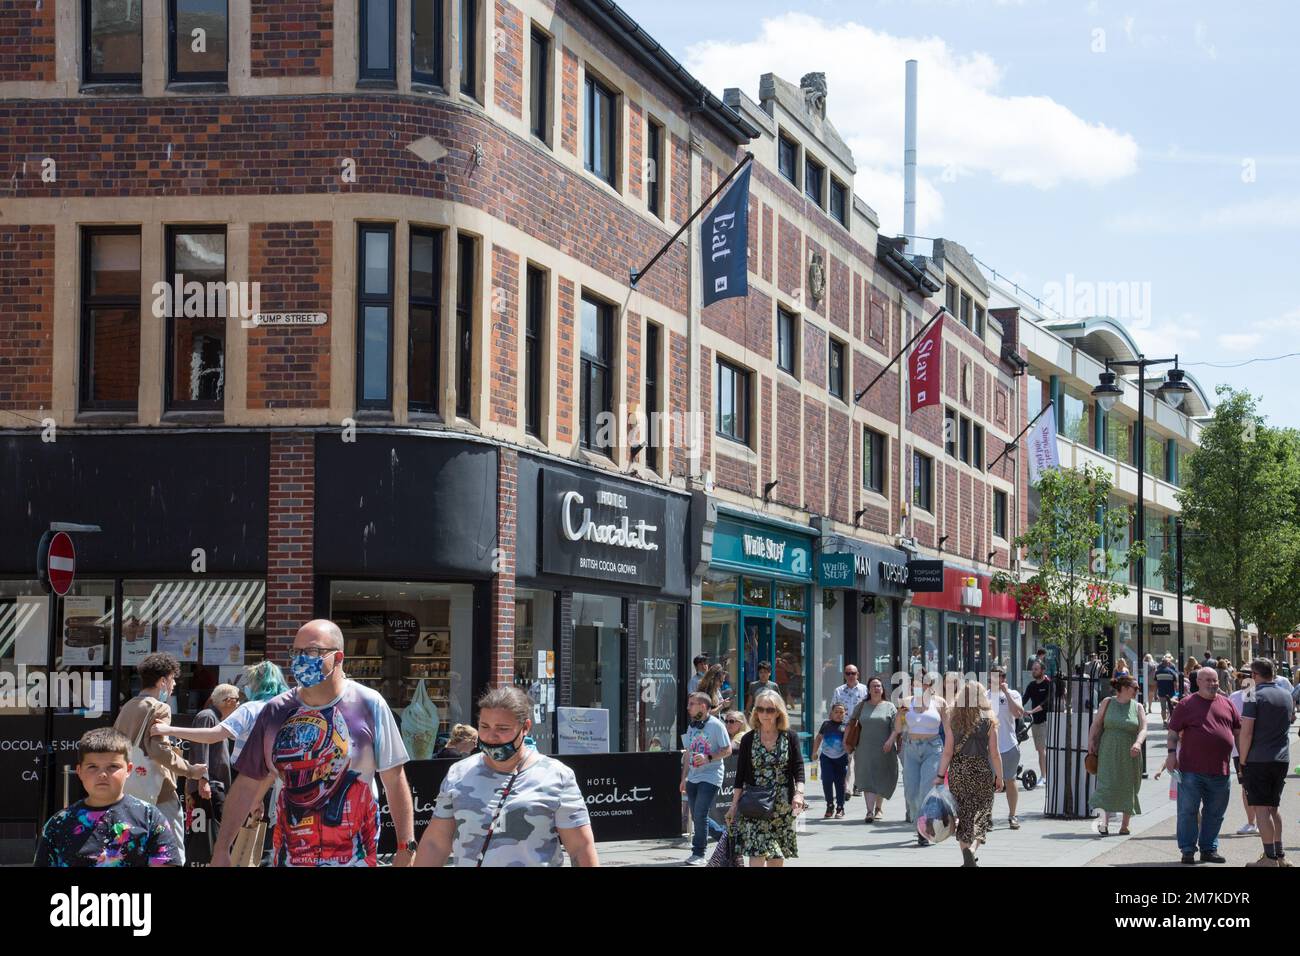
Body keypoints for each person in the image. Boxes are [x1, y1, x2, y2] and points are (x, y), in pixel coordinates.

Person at [210, 620, 416, 868]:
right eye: (296, 652)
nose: (301, 659)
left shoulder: (369, 704)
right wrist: (222, 849)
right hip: (291, 857)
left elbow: (393, 779)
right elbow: (246, 784)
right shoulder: (275, 711)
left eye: (312, 652)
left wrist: (406, 847)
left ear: (338, 657)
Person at [417, 686, 599, 866]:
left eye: (502, 728)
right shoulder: (458, 773)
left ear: (525, 727)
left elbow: (580, 848)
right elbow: (436, 843)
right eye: (484, 726)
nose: (491, 736)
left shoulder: (557, 776)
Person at [36, 728, 183, 867]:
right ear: (79, 771)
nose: (102, 774)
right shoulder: (58, 824)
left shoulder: (150, 817)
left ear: (129, 770)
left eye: (112, 767)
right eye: (92, 767)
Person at [113, 652, 208, 865]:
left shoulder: (128, 706)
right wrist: (191, 770)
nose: (173, 685)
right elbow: (159, 751)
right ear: (163, 681)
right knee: (171, 847)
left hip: (128, 788)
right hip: (157, 790)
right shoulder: (160, 707)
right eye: (173, 679)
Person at [1166, 667, 1238, 864]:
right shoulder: (1186, 704)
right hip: (1191, 770)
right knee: (1187, 811)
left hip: (1220, 769)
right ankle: (1187, 850)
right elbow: (1172, 733)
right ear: (1198, 682)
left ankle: (1209, 849)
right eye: (1208, 680)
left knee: (1215, 813)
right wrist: (1171, 755)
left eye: (1214, 680)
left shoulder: (1227, 703)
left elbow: (1238, 732)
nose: (1213, 684)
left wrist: (1241, 761)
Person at [725, 690, 806, 866]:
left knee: (776, 856)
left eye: (770, 710)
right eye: (760, 709)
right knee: (757, 851)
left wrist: (799, 794)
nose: (764, 714)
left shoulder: (789, 737)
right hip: (755, 804)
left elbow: (798, 768)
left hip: (782, 805)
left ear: (778, 712)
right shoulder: (748, 739)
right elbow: (740, 777)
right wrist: (733, 807)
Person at [1238, 658, 1296, 867]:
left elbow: (1246, 732)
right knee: (1273, 807)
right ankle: (1280, 856)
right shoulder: (1286, 695)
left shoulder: (1253, 695)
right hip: (1281, 758)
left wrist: (1242, 762)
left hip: (1258, 759)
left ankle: (1269, 859)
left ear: (1254, 675)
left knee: (1261, 809)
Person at [939, 681, 1002, 867]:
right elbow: (995, 753)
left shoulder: (953, 719)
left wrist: (940, 775)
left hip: (958, 771)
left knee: (964, 816)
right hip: (981, 771)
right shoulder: (988, 720)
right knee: (982, 814)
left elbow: (948, 751)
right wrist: (1000, 776)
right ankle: (972, 850)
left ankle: (967, 855)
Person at [185, 683, 240, 863]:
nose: (239, 705)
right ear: (228, 701)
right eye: (237, 700)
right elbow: (201, 750)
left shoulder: (217, 719)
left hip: (215, 786)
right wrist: (204, 780)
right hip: (210, 787)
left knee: (215, 833)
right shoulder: (207, 716)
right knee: (207, 835)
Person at [1088, 674, 1147, 835]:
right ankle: (1103, 823)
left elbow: (1143, 728)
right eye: (1135, 688)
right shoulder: (1107, 702)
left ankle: (1125, 825)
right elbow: (1096, 724)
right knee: (1106, 785)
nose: (1137, 691)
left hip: (1130, 752)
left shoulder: (1138, 707)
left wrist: (1138, 743)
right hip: (1108, 750)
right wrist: (1090, 743)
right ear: (1124, 688)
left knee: (1129, 786)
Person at [680, 691, 732, 865]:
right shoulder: (692, 726)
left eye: (691, 704)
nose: (688, 708)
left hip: (710, 776)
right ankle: (729, 840)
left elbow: (728, 750)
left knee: (701, 815)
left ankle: (699, 853)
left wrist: (708, 757)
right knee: (697, 816)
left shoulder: (717, 725)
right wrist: (683, 778)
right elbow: (688, 753)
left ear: (703, 706)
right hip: (693, 777)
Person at [897, 672, 950, 843]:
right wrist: (899, 715)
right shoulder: (906, 702)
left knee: (926, 790)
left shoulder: (940, 702)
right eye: (918, 683)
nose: (921, 686)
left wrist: (951, 751)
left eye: (925, 683)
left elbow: (948, 731)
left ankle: (924, 829)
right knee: (911, 792)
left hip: (933, 749)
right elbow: (899, 728)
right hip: (911, 748)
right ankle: (919, 821)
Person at [848, 677, 898, 821]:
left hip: (884, 748)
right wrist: (847, 743)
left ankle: (878, 808)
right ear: (869, 689)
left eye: (879, 686)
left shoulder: (890, 706)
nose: (876, 688)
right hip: (864, 749)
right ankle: (869, 811)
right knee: (867, 778)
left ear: (882, 689)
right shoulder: (862, 706)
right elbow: (851, 723)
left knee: (881, 778)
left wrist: (891, 741)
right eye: (873, 686)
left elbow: (896, 727)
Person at [988, 667, 1025, 830]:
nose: (999, 680)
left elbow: (1018, 713)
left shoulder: (1013, 694)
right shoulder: (985, 695)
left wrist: (1006, 693)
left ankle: (1012, 815)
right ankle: (987, 817)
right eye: (995, 677)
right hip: (989, 747)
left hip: (1008, 744)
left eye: (1002, 676)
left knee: (1010, 780)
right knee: (988, 782)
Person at [832, 664, 870, 797]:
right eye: (848, 673)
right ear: (844, 675)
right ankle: (846, 787)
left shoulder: (865, 690)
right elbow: (833, 709)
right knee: (847, 758)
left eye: (853, 673)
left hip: (861, 727)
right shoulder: (839, 691)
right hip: (844, 728)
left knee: (859, 759)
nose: (850, 676)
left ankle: (857, 785)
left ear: (857, 674)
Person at [1227, 674, 1259, 836]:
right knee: (1247, 786)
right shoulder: (1234, 697)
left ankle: (1256, 822)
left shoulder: (1257, 695)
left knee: (1251, 786)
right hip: (1242, 748)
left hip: (1247, 748)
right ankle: (1253, 822)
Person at [812, 702, 850, 819]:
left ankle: (840, 807)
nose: (839, 714)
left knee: (840, 783)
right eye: (836, 712)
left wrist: (850, 754)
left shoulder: (846, 726)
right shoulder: (826, 724)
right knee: (827, 781)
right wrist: (814, 752)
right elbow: (819, 738)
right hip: (826, 758)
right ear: (831, 713)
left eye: (841, 712)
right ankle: (829, 805)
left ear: (845, 714)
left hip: (841, 758)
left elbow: (850, 742)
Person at [1022, 661, 1052, 788]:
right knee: (1040, 750)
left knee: (1043, 750)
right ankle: (1044, 776)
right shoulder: (1031, 686)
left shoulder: (1049, 684)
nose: (1033, 671)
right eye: (1032, 669)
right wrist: (1018, 710)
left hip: (1048, 720)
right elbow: (1023, 700)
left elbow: (1046, 703)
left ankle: (1046, 777)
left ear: (1042, 670)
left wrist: (1031, 711)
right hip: (1036, 722)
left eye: (1036, 669)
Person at [1154, 655, 1180, 721]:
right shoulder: (1172, 672)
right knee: (1170, 708)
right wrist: (1177, 693)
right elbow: (1175, 684)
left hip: (1161, 692)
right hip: (1170, 693)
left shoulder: (1157, 672)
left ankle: (1164, 721)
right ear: (1168, 664)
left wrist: (1155, 694)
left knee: (1163, 708)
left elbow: (1156, 684)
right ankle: (1168, 720)